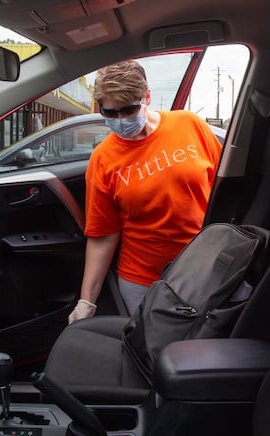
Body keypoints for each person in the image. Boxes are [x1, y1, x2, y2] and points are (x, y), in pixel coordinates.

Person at [68, 59, 222, 323]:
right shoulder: (103, 158)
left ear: (147, 96)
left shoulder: (190, 125)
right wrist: (87, 301)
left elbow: (223, 191)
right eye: (110, 113)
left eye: (128, 110)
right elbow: (103, 235)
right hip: (142, 280)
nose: (120, 120)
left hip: (206, 268)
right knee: (150, 355)